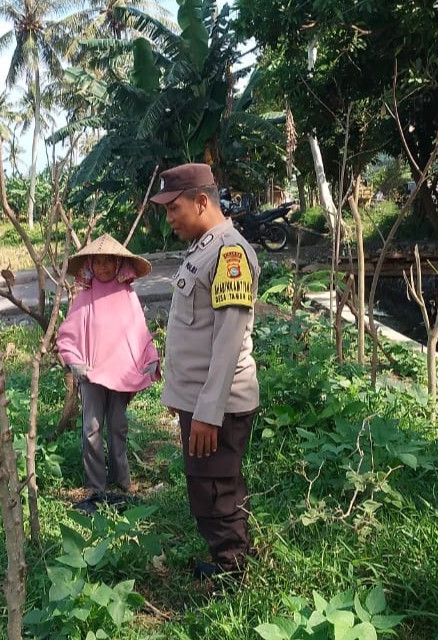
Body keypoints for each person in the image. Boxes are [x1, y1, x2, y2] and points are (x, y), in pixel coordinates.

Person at [150, 163, 261, 580]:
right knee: (216, 481)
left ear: (201, 201)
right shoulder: (205, 248)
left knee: (213, 488)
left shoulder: (229, 253)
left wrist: (208, 414)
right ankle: (234, 556)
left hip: (217, 404)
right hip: (201, 399)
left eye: (173, 208)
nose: (170, 219)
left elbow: (229, 339)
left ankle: (232, 571)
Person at [56, 234, 161, 513]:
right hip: (91, 372)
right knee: (91, 427)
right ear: (90, 264)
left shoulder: (127, 294)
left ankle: (121, 478)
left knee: (117, 425)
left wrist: (150, 357)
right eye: (98, 262)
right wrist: (74, 361)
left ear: (118, 264)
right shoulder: (84, 297)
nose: (103, 267)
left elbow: (139, 331)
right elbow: (67, 333)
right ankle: (95, 484)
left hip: (122, 371)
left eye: (109, 262)